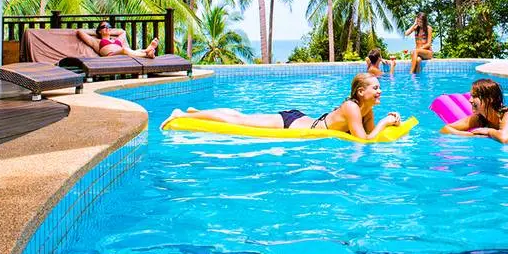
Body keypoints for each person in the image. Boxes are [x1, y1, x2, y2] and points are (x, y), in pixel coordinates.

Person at [160, 73, 402, 139]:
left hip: (303, 119)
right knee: (239, 119)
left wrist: (387, 121)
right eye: (376, 88)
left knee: (241, 116)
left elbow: (368, 135)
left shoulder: (365, 109)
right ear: (361, 92)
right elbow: (364, 140)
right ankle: (184, 114)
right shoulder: (351, 107)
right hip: (291, 123)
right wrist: (385, 123)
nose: (380, 91)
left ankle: (197, 113)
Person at [76, 21, 159, 59]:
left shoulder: (116, 39)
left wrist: (109, 30)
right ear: (99, 30)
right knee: (124, 50)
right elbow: (80, 32)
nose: (106, 28)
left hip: (123, 54)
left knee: (134, 50)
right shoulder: (96, 41)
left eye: (108, 26)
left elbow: (122, 32)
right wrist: (95, 31)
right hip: (110, 56)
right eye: (103, 27)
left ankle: (147, 51)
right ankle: (147, 54)